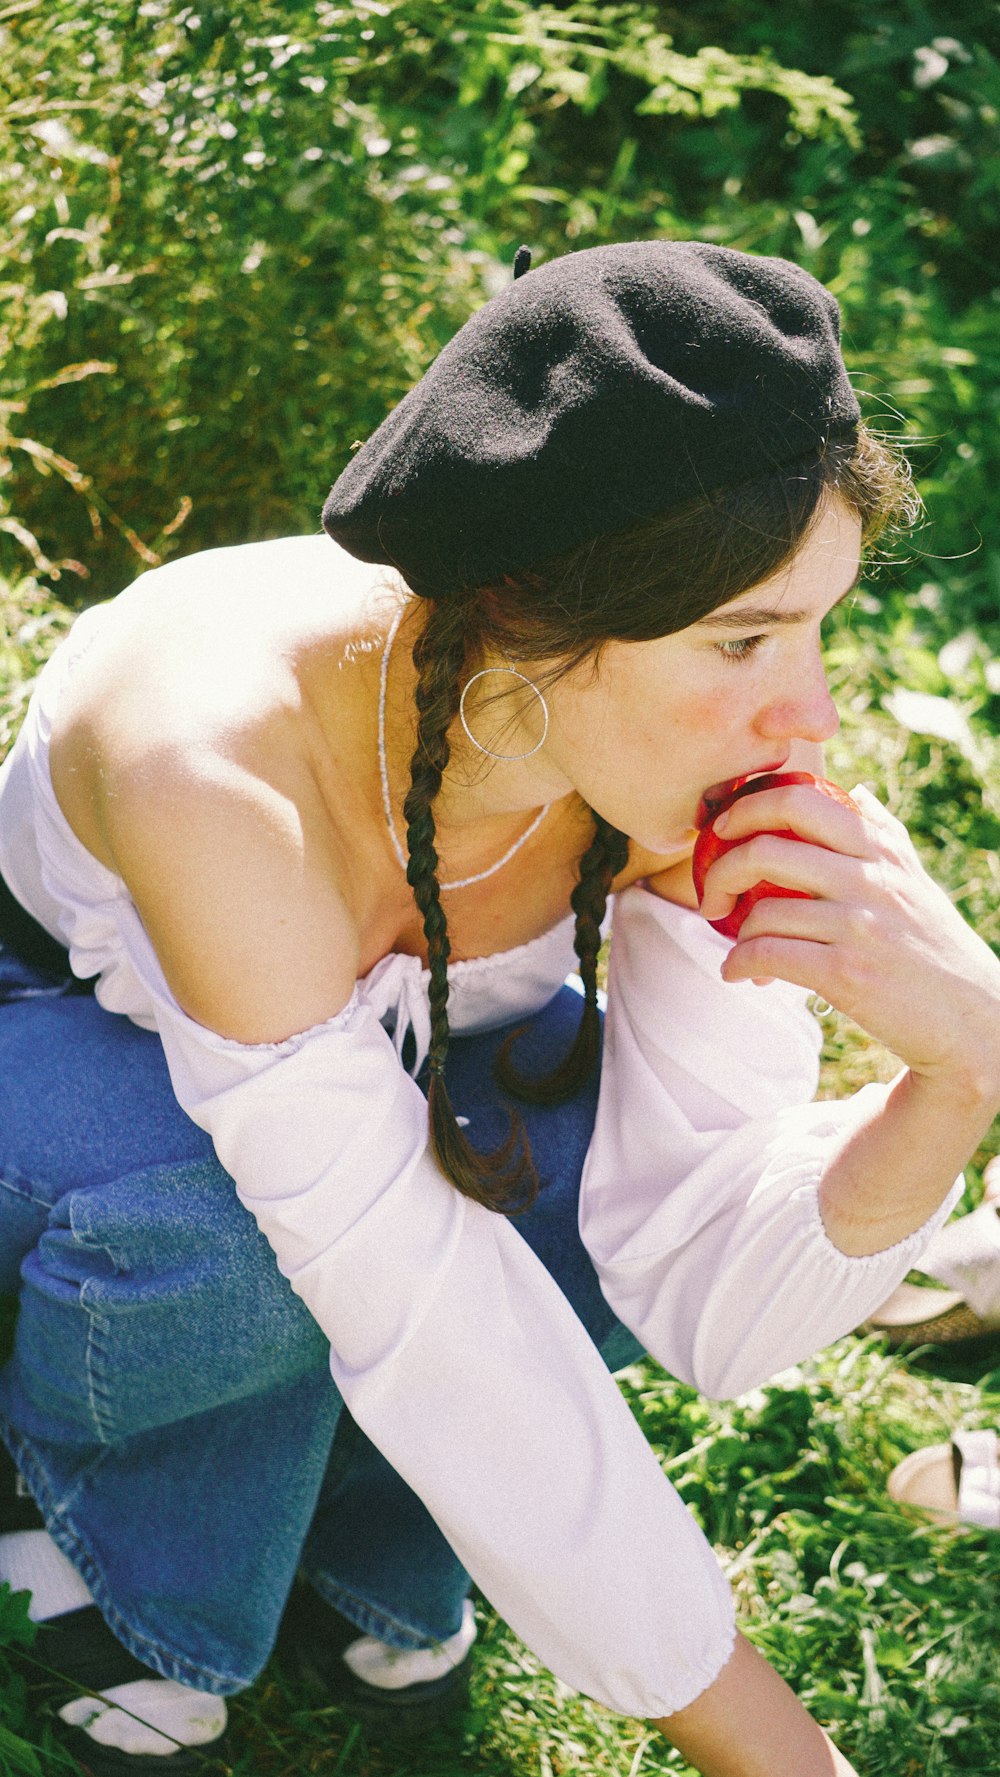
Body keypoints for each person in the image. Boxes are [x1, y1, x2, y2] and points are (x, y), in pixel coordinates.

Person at [0, 239, 997, 1777]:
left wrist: (959, 1066)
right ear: (535, 621)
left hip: (396, 1072)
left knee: (552, 1183)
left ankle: (354, 1531)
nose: (811, 713)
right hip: (63, 1057)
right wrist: (787, 1755)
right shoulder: (214, 763)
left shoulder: (669, 774)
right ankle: (100, 1536)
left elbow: (700, 1294)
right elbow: (417, 1292)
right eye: (741, 640)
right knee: (246, 1225)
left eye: (818, 627)